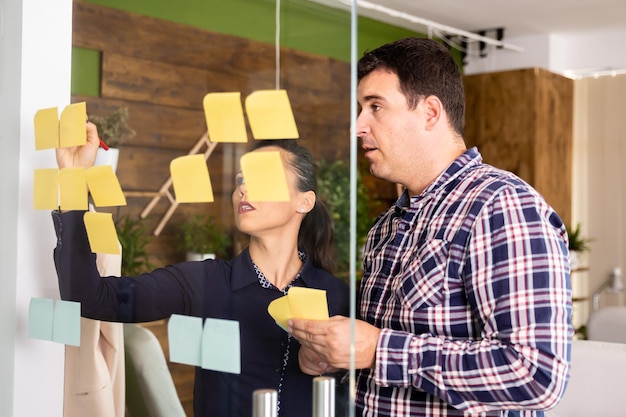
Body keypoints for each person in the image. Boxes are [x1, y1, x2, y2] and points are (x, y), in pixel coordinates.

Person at [288, 37, 572, 417]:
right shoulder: (387, 226)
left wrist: (379, 349)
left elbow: (536, 375)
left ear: (430, 113)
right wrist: (335, 357)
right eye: (360, 108)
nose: (358, 126)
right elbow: (383, 358)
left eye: (375, 107)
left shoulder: (501, 206)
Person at [52, 125, 350, 417]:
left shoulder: (338, 297)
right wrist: (73, 182)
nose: (243, 188)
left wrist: (339, 363)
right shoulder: (203, 282)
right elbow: (89, 297)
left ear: (304, 201)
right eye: (241, 179)